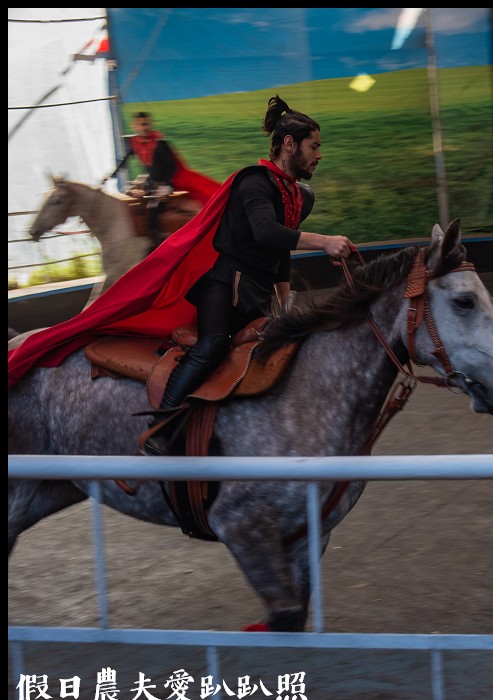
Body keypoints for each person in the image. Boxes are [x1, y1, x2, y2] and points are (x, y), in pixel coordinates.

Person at [7, 95, 357, 456]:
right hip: (223, 286)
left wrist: (284, 303)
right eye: (314, 146)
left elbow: (278, 251)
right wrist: (324, 241)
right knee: (213, 345)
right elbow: (265, 232)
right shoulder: (254, 182)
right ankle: (162, 426)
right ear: (289, 144)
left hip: (256, 293)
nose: (319, 154)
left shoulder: (299, 195)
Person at [124, 111, 221, 204]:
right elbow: (126, 158)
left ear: (150, 125)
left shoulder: (159, 143)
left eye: (145, 124)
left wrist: (167, 185)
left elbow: (172, 166)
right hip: (154, 179)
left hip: (172, 178)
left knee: (205, 190)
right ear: (134, 126)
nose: (143, 128)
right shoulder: (134, 142)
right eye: (140, 125)